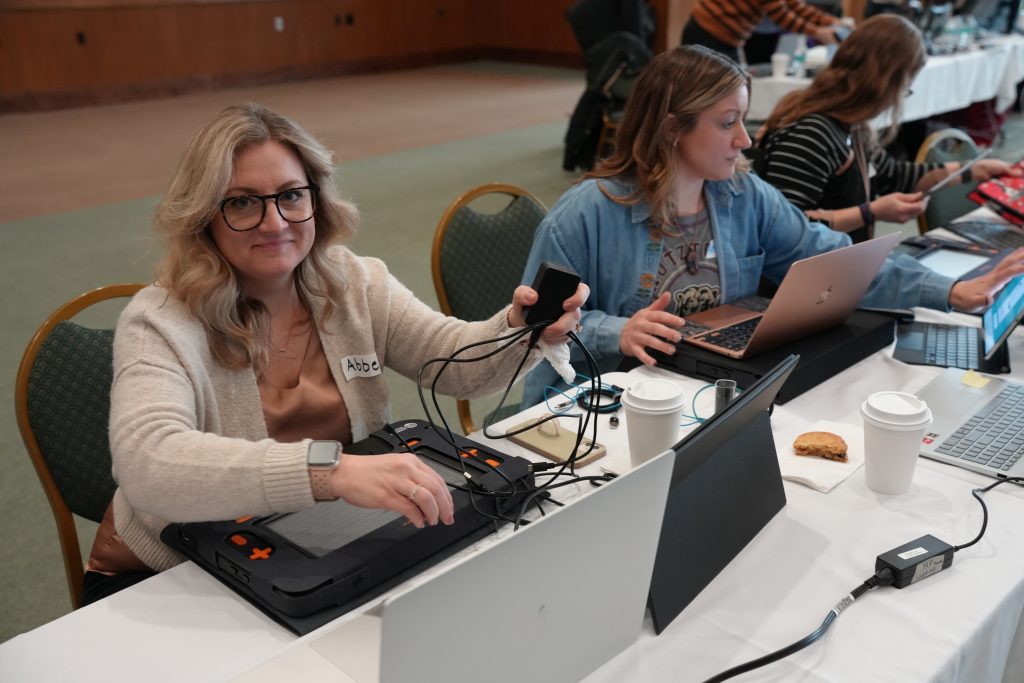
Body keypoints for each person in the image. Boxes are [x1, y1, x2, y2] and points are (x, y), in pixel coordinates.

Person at [84, 103, 587, 605]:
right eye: (241, 203)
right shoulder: (161, 319)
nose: (274, 221)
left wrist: (520, 328)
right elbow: (148, 464)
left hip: (306, 543)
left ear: (316, 200)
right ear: (204, 217)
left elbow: (454, 366)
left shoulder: (353, 283)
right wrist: (332, 470)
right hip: (174, 572)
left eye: (290, 195)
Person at [519, 45, 1024, 409]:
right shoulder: (585, 215)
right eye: (727, 122)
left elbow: (832, 260)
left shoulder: (742, 194)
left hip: (707, 397)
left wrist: (951, 292)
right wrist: (617, 330)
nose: (745, 140)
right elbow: (531, 333)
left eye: (744, 120)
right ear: (672, 128)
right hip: (606, 407)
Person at [757, 14, 1020, 243]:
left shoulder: (848, 124)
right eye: (905, 88)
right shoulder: (811, 133)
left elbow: (893, 176)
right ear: (886, 84)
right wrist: (870, 213)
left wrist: (973, 170)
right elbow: (784, 228)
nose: (902, 96)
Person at [681, 0, 846, 63]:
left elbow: (794, 4)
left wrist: (831, 21)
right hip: (708, 31)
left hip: (726, 36)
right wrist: (816, 32)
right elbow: (779, 13)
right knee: (706, 93)